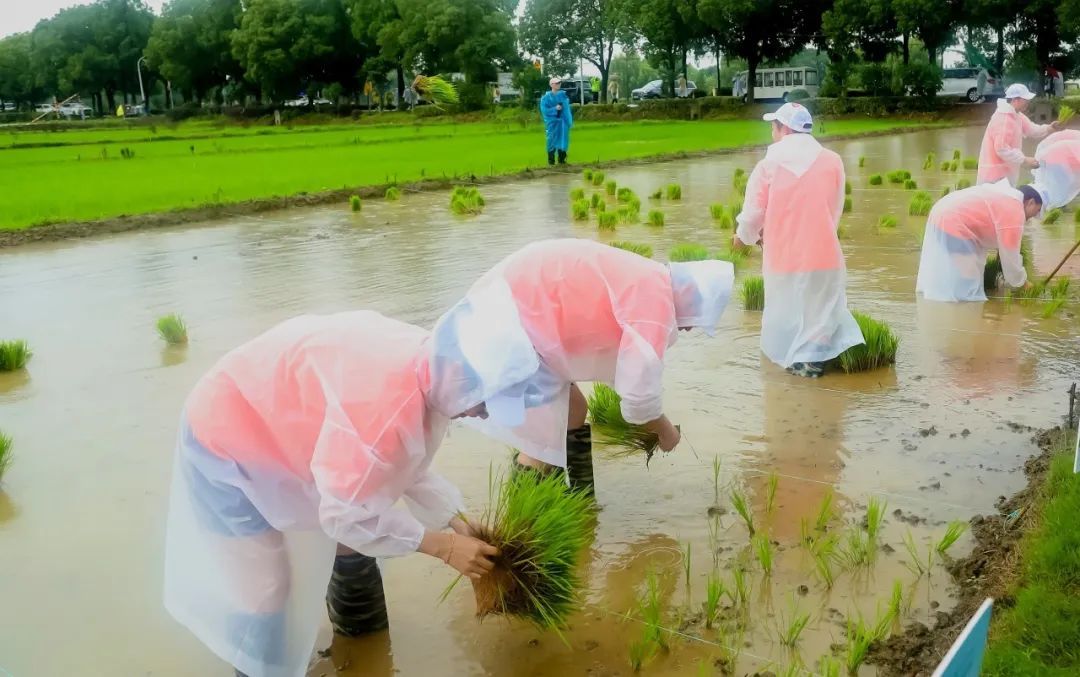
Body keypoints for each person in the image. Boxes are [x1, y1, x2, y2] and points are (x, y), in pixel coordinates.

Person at [164, 310, 546, 677]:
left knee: (352, 541)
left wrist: (456, 520)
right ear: (465, 380)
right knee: (265, 588)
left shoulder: (437, 369)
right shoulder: (389, 403)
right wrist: (442, 546)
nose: (484, 414)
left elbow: (400, 463)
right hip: (226, 434)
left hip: (286, 418)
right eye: (485, 403)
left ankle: (362, 647)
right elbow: (345, 513)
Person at [432, 239, 735, 481]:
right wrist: (666, 432)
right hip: (518, 324)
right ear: (692, 300)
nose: (691, 328)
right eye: (698, 318)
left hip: (521, 306)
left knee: (574, 409)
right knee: (542, 440)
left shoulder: (651, 281)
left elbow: (621, 365)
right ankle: (529, 522)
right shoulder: (655, 305)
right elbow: (639, 397)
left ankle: (578, 502)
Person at [734, 102, 864, 378]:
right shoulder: (833, 161)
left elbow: (753, 214)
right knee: (820, 312)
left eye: (773, 127)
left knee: (786, 313)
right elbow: (834, 208)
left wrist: (743, 237)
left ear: (783, 129)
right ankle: (813, 362)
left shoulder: (768, 165)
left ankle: (800, 370)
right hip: (824, 253)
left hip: (784, 257)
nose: (772, 132)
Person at [915, 182, 1043, 302]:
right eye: (1037, 211)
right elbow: (1011, 256)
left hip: (942, 210)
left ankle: (944, 306)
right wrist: (1023, 282)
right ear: (1031, 202)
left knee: (958, 273)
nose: (1033, 217)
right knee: (968, 281)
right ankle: (959, 310)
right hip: (954, 221)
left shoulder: (1006, 196)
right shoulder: (1015, 210)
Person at [976, 83, 1059, 186]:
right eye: (1025, 99)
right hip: (995, 175)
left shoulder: (1016, 115)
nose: (1028, 102)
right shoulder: (1004, 119)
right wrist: (1024, 160)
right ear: (1015, 100)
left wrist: (1049, 128)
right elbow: (1002, 149)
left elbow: (1032, 129)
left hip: (1006, 171)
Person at [1033, 138, 1080, 210]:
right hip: (1056, 163)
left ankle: (1058, 205)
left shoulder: (1070, 145)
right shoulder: (1070, 147)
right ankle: (1058, 205)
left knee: (1062, 184)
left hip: (1055, 162)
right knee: (1062, 184)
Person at [540, 77, 573, 166]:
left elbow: (567, 110)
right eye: (556, 83)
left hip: (563, 123)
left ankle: (562, 161)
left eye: (559, 83)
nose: (558, 84)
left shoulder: (564, 96)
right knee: (551, 139)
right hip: (552, 123)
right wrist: (555, 109)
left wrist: (569, 121)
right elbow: (544, 110)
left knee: (563, 139)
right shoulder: (545, 98)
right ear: (551, 85)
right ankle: (551, 161)